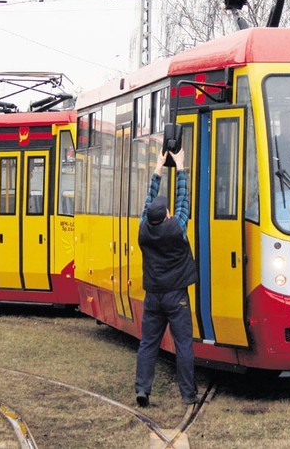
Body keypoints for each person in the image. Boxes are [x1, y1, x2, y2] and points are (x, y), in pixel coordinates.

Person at [135, 147, 198, 408]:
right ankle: (188, 394)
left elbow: (148, 204)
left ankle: (142, 389)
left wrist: (158, 168)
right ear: (168, 215)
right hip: (176, 296)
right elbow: (184, 199)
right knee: (183, 344)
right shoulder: (177, 227)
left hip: (153, 297)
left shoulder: (143, 230)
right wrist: (180, 166)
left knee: (148, 344)